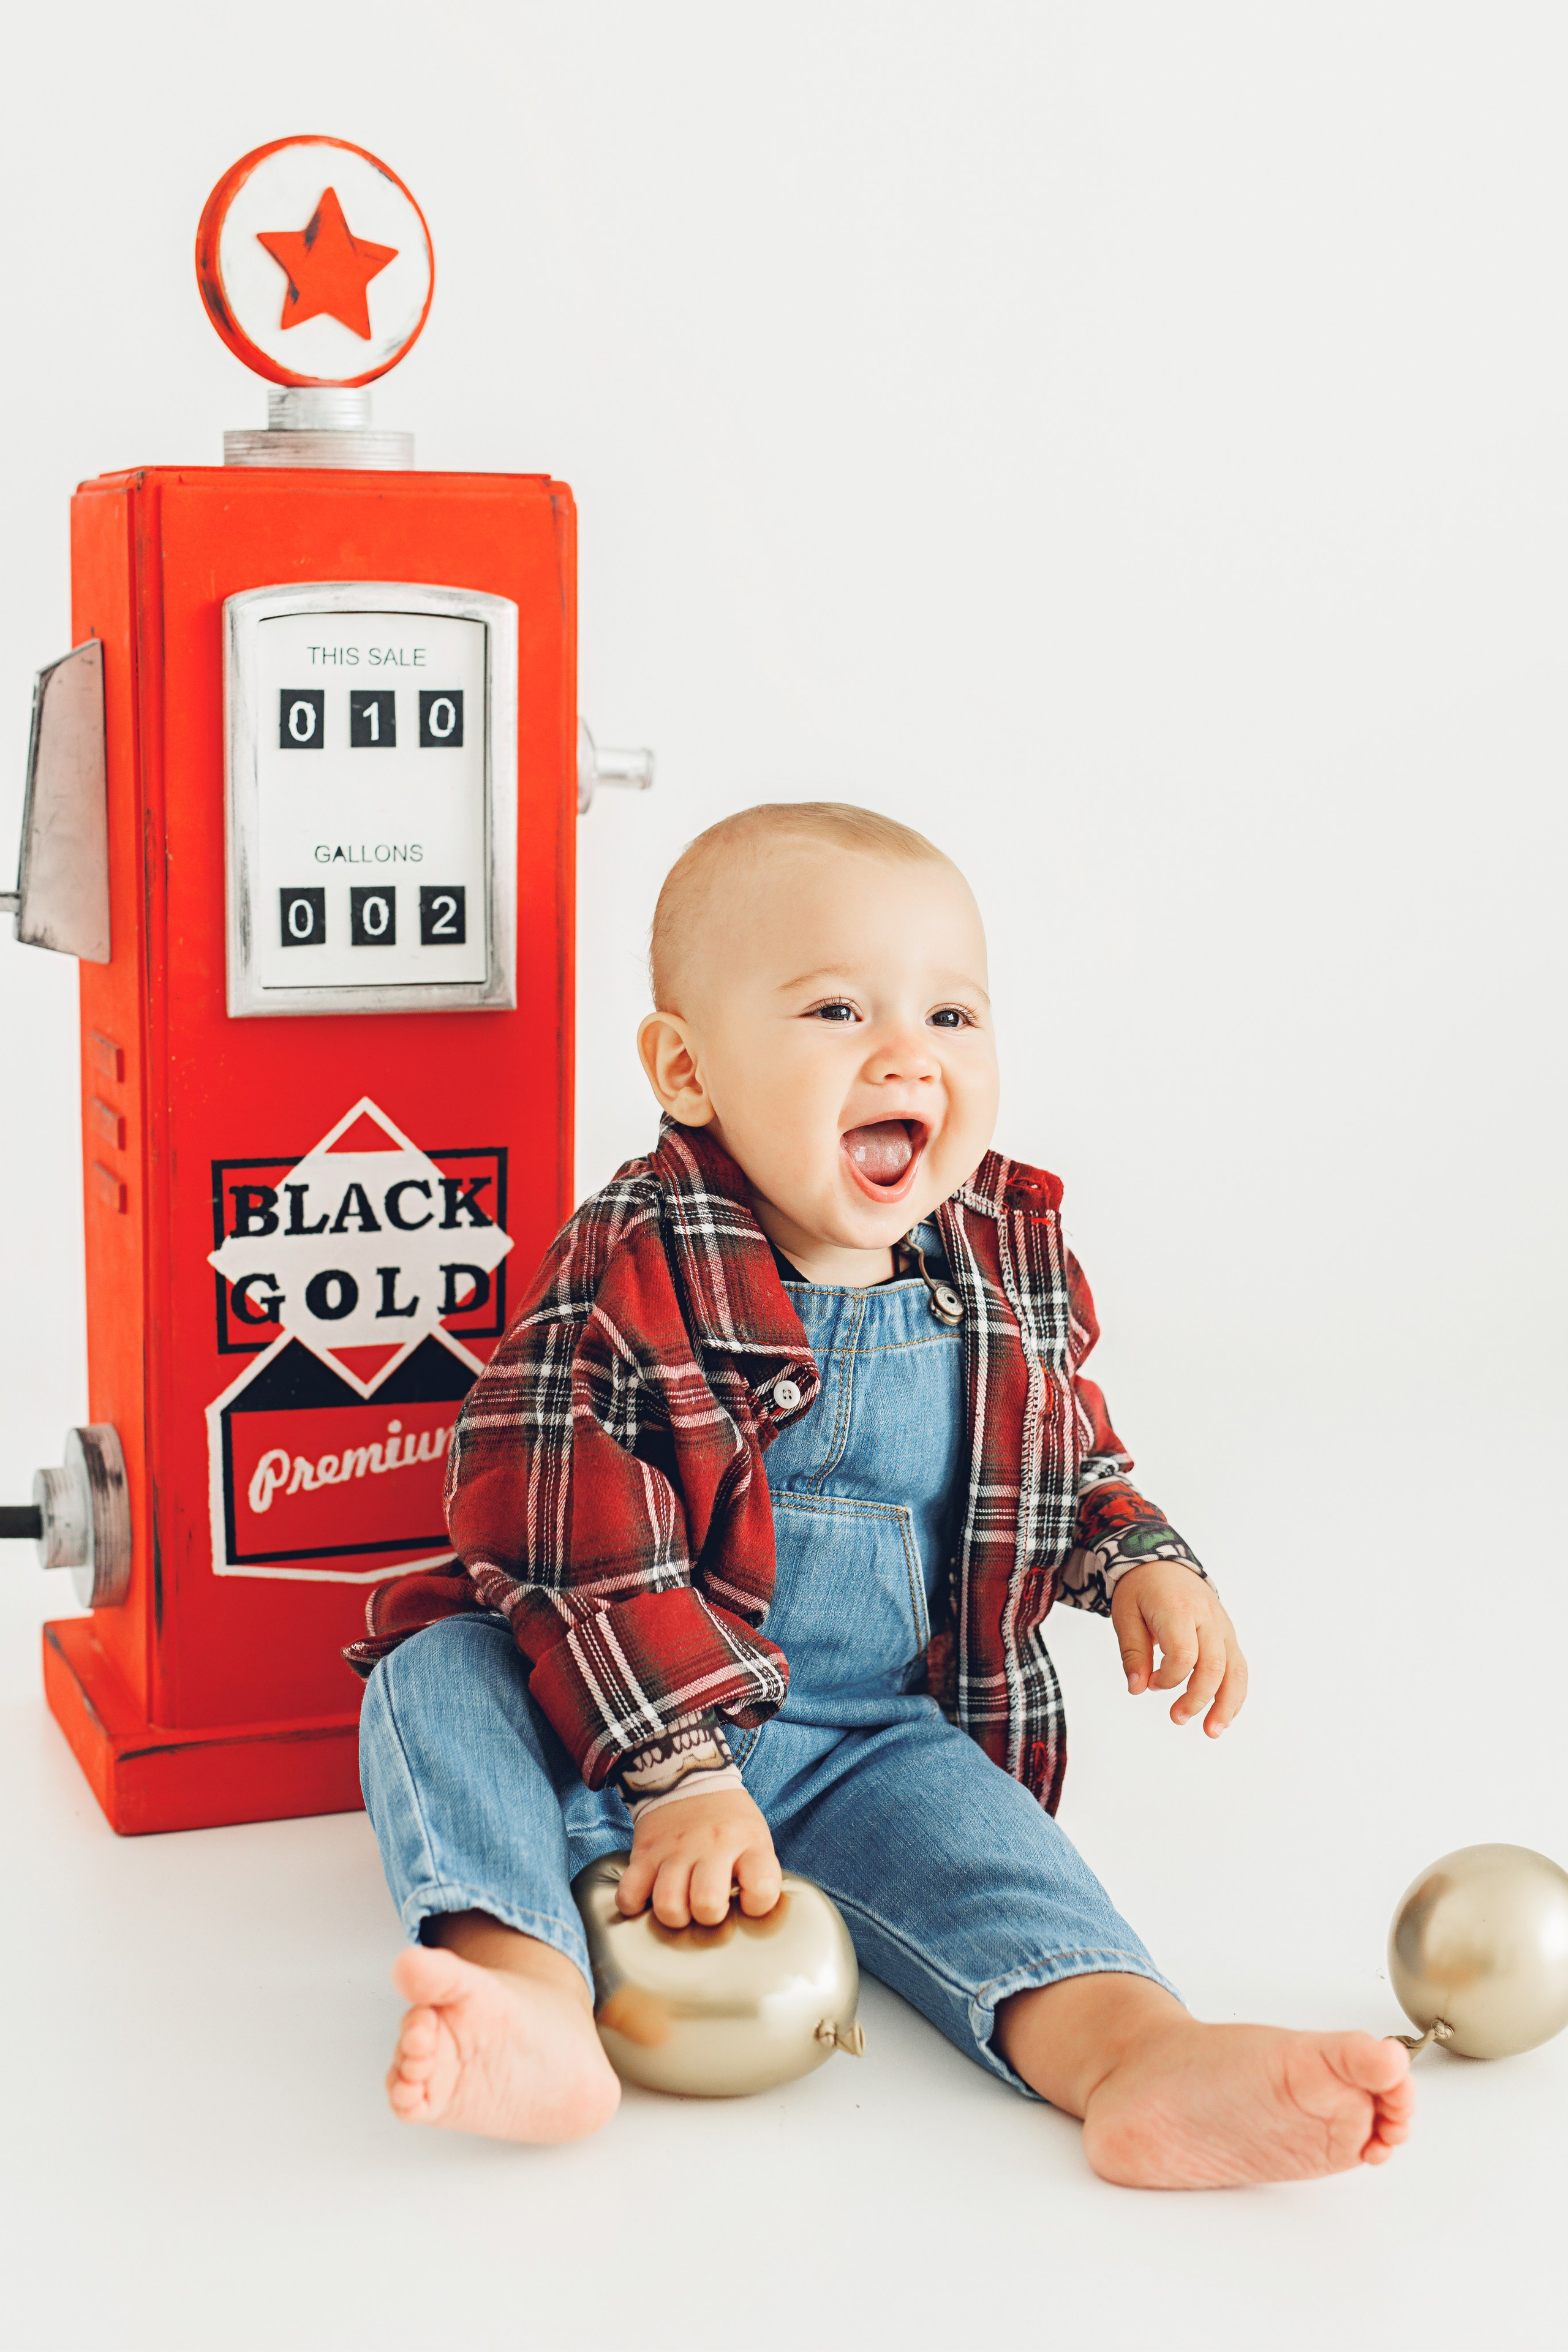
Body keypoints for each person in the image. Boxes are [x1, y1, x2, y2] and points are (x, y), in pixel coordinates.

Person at [349, 802, 1413, 2187]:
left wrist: (1135, 1556)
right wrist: (682, 1774)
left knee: (1002, 1869)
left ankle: (1138, 2057)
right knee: (435, 1678)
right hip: (598, 1714)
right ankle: (527, 1995)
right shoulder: (637, 1258)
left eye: (951, 1016)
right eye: (837, 1011)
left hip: (872, 1734)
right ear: (687, 1069)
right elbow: (559, 1527)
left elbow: (1057, 1445)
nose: (908, 1054)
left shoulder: (1002, 1255)